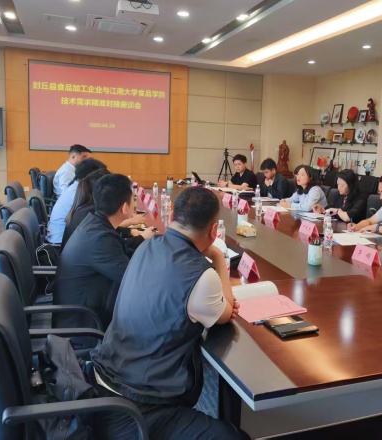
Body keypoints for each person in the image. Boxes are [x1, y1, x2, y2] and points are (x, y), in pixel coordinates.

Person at [91, 187, 243, 439]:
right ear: (213, 231)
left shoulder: (146, 246)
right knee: (231, 436)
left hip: (104, 380)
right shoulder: (201, 276)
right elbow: (226, 314)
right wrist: (217, 256)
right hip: (137, 406)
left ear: (172, 215)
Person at [54, 174, 154, 331]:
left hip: (91, 305)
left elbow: (125, 252)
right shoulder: (99, 238)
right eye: (133, 200)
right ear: (125, 207)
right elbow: (134, 279)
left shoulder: (95, 223)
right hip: (83, 325)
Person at [61, 168, 155, 249]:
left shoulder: (91, 211)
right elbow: (113, 246)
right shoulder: (91, 213)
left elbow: (114, 237)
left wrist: (130, 232)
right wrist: (141, 238)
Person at [46, 158, 106, 244]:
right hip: (61, 243)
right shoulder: (79, 193)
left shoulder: (75, 188)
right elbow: (99, 222)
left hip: (60, 239)